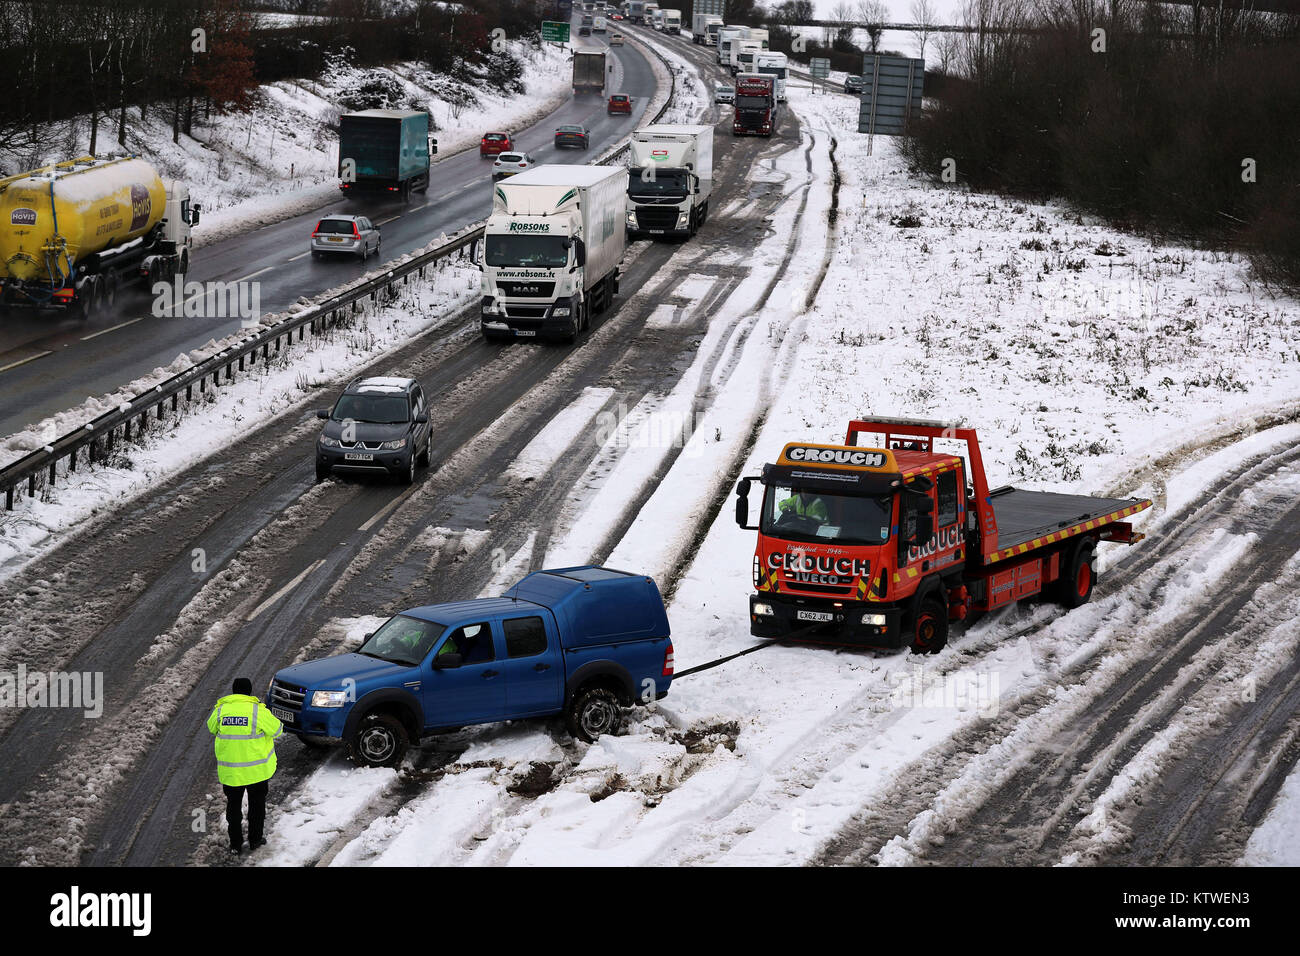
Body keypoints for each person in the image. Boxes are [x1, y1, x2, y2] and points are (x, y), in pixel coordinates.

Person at [207, 677, 283, 855]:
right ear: (249, 691)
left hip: (231, 772)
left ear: (233, 691)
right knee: (257, 807)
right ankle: (255, 840)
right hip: (256, 772)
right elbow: (278, 730)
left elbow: (211, 727)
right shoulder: (257, 711)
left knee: (233, 807)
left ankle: (235, 844)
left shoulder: (221, 710)